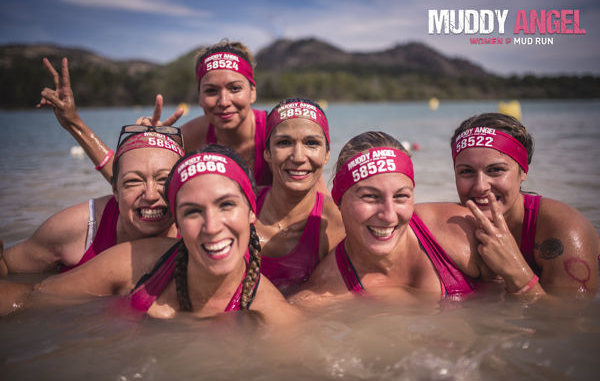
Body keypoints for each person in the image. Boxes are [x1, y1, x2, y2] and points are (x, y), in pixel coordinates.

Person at [1, 146, 296, 322]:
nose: (212, 226)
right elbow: (31, 298)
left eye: (226, 205)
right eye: (192, 211)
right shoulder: (136, 261)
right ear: (177, 223)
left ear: (251, 212)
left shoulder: (270, 312)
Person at [291, 131, 491, 304]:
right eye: (370, 196)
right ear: (339, 200)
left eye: (401, 196)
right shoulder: (326, 290)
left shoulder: (462, 231)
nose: (388, 216)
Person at [39, 39, 272, 186]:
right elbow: (126, 186)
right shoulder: (190, 138)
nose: (223, 101)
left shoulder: (276, 131)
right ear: (199, 96)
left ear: (252, 93)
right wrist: (73, 122)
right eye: (211, 90)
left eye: (235, 88)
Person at [451, 113, 599, 297]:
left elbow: (572, 319)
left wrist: (515, 271)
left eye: (496, 170)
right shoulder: (452, 223)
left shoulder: (565, 229)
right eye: (466, 171)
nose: (480, 186)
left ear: (523, 172)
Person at [1, 127, 183, 274]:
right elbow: (8, 267)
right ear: (115, 191)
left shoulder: (199, 231)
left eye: (164, 180)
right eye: (133, 181)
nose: (150, 195)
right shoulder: (81, 228)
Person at [254, 98, 345, 295]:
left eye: (311, 143)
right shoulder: (241, 205)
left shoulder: (336, 224)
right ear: (267, 152)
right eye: (284, 143)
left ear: (327, 154)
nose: (298, 157)